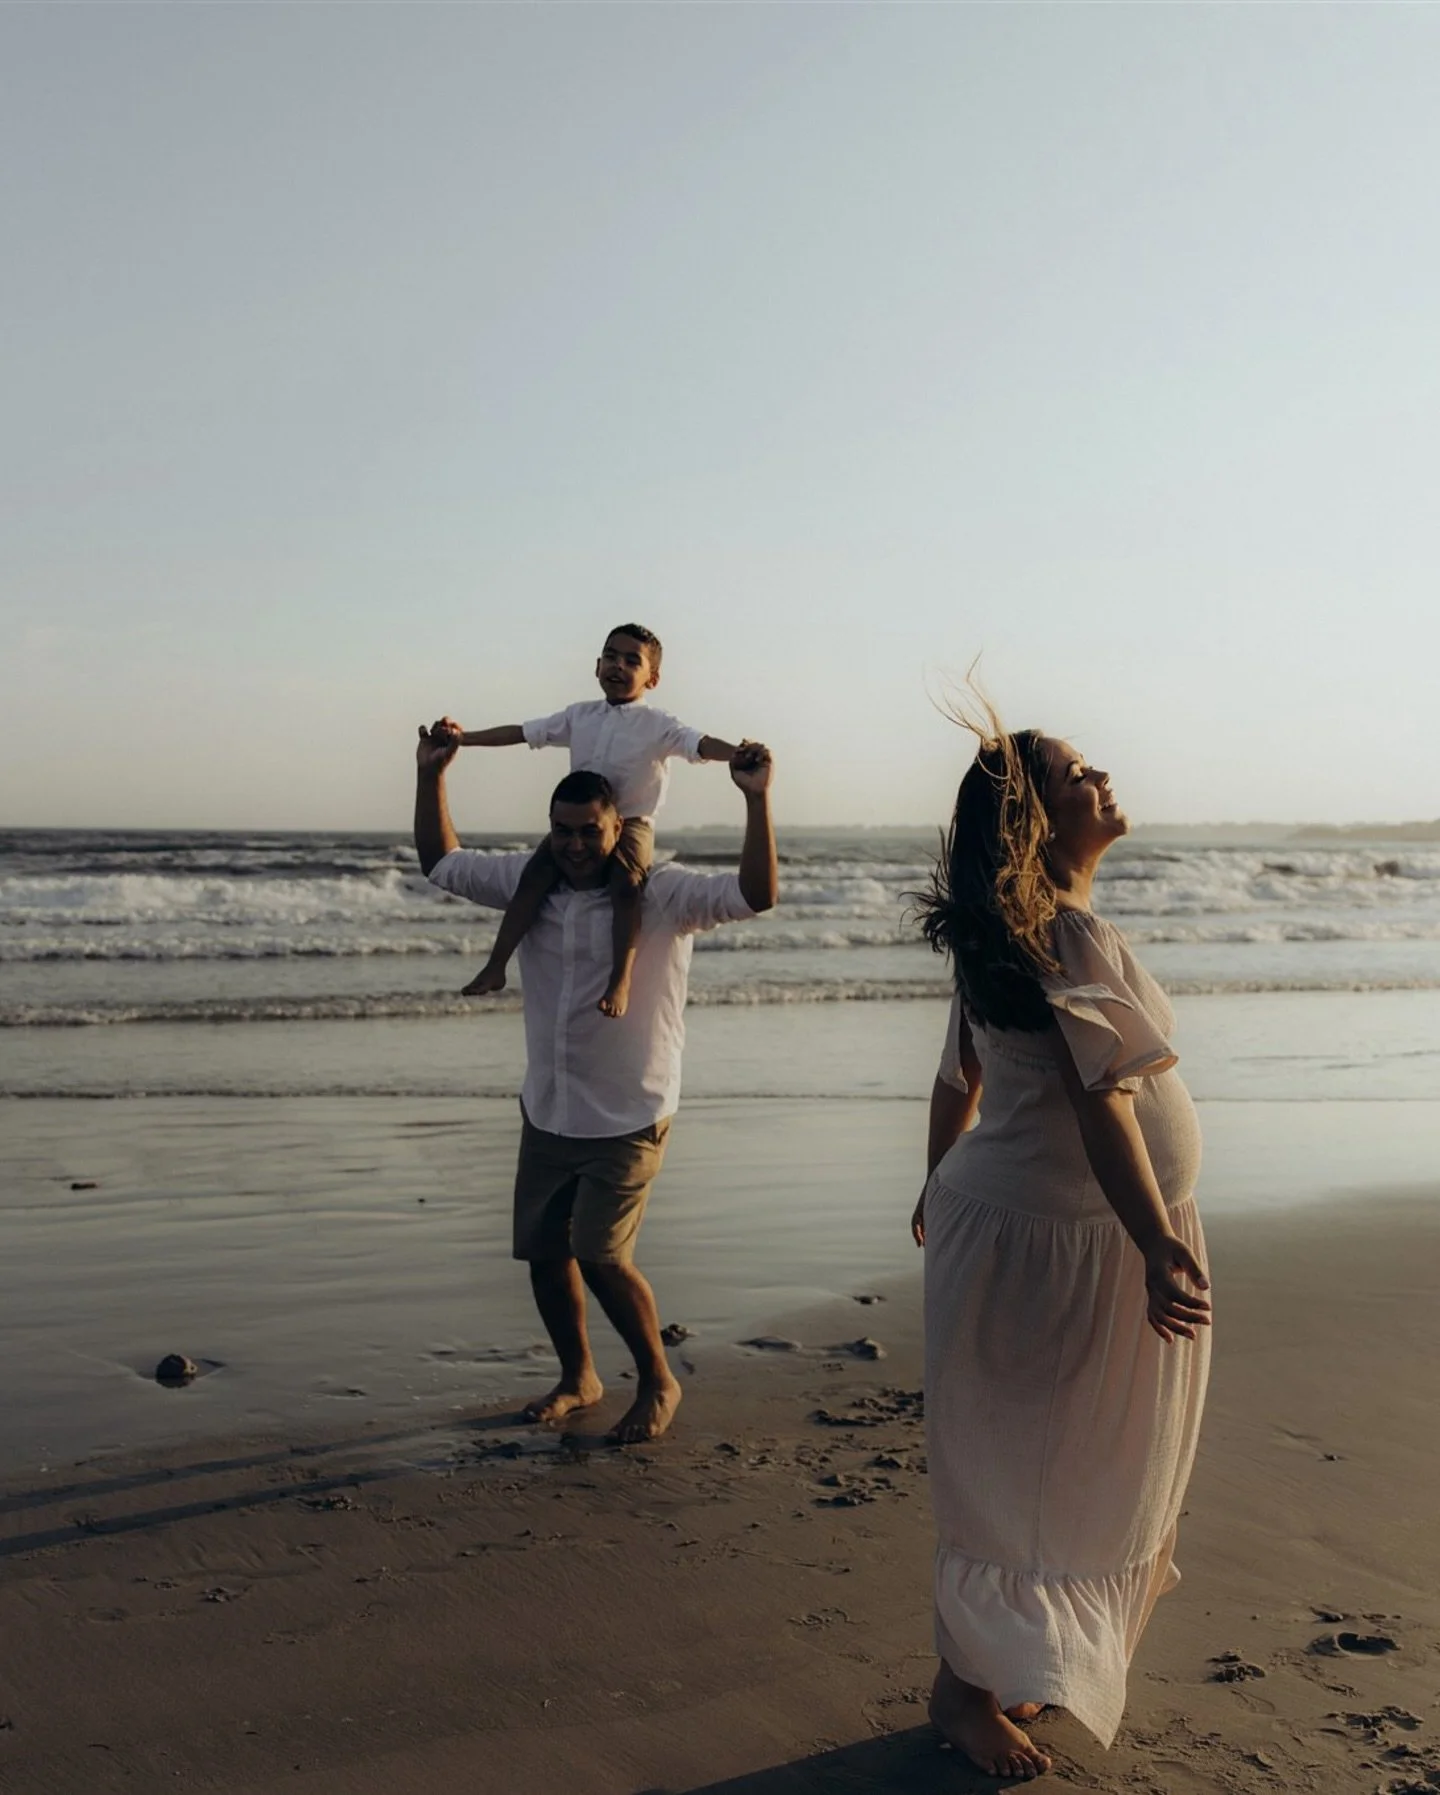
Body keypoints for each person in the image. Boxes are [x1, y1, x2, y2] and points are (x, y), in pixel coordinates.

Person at [911, 715, 1212, 1780]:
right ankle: (964, 1689)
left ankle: (1011, 1653)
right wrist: (1155, 1243)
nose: (1105, 775)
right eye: (1080, 773)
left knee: (1061, 1460)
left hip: (1037, 1232)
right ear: (1037, 821)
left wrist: (934, 1182)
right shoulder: (1061, 937)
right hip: (1066, 1244)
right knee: (1036, 1467)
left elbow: (961, 1081)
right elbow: (1103, 1103)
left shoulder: (1014, 927)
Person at [413, 718, 777, 1444]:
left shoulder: (665, 894)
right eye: (562, 831)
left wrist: (756, 800)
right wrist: (431, 774)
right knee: (545, 1252)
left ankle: (657, 1379)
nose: (575, 844)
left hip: (630, 1108)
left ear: (620, 827)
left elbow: (755, 893)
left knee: (602, 1254)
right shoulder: (530, 883)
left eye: (589, 830)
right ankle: (578, 1375)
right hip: (550, 1106)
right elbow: (440, 861)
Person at [439, 623, 742, 1019]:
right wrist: (464, 738)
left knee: (625, 884)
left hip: (632, 823)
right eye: (611, 657)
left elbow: (699, 744)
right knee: (533, 878)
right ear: (597, 665)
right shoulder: (579, 716)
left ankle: (620, 980)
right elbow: (522, 732)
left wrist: (738, 753)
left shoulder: (658, 723)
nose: (618, 666)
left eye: (631, 660)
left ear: (652, 677)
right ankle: (496, 966)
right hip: (582, 822)